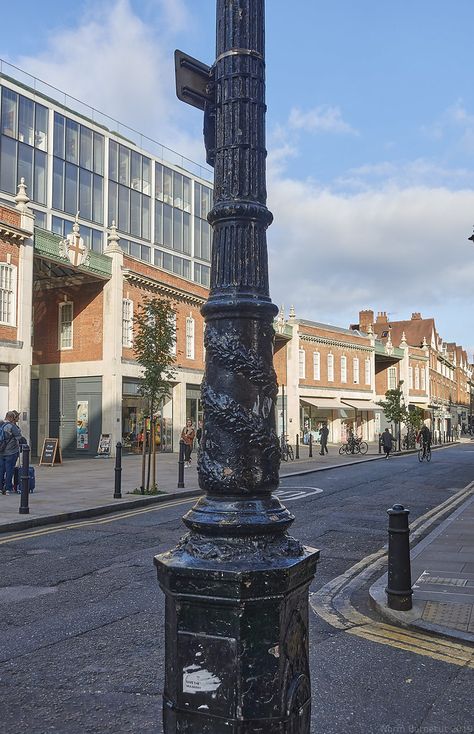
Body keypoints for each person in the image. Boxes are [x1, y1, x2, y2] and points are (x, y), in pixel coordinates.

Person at [0, 411, 22, 494]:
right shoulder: (12, 426)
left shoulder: (1, 425)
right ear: (12, 418)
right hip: (11, 451)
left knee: (1, 470)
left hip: (1, 451)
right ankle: (8, 487)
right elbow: (19, 437)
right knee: (9, 469)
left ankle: (0, 487)